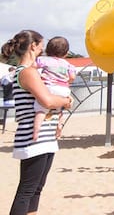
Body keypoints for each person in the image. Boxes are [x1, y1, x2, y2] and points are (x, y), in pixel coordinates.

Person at [2, 30, 73, 215]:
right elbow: (47, 101)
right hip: (34, 139)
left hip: (44, 137)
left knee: (36, 189)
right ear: (33, 46)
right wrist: (66, 101)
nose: (43, 50)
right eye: (41, 46)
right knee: (27, 190)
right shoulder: (27, 72)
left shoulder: (30, 72)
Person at [33, 37, 76, 141]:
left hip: (49, 87)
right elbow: (72, 77)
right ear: (66, 53)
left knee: (40, 109)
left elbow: (32, 67)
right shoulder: (68, 64)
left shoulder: (43, 59)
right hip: (64, 89)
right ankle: (59, 126)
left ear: (47, 50)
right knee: (60, 110)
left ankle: (36, 130)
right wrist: (67, 81)